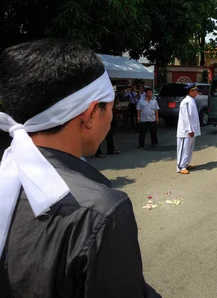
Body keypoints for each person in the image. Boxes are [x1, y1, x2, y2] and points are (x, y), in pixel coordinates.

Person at [0, 39, 158, 297]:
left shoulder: (8, 173)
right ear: (91, 113)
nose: (112, 113)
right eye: (110, 103)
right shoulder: (100, 210)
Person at [176, 84, 201, 175]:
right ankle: (180, 167)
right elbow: (186, 117)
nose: (197, 92)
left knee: (189, 149)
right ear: (190, 91)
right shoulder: (186, 102)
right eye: (195, 91)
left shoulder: (192, 101)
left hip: (192, 130)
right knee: (184, 148)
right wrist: (189, 130)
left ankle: (186, 164)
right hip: (186, 131)